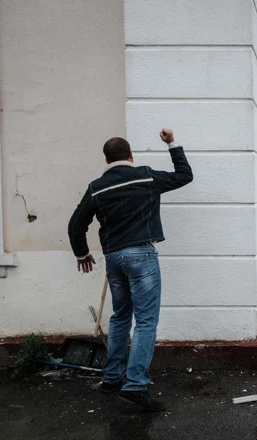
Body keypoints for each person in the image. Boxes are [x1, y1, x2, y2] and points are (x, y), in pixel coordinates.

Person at [68, 129, 193, 411]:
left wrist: (82, 254)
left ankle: (112, 378)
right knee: (146, 321)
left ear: (106, 159)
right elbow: (184, 175)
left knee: (121, 316)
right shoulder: (146, 177)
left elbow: (76, 224)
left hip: (114, 258)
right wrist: (172, 143)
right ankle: (135, 386)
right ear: (130, 156)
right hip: (141, 256)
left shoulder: (96, 187)